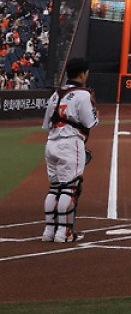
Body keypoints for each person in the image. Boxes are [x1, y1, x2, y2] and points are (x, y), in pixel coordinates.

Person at [41, 57, 99, 243]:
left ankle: (49, 231)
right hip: (70, 143)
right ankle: (64, 233)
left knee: (54, 188)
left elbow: (47, 124)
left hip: (51, 143)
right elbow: (90, 122)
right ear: (83, 73)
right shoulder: (83, 94)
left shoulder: (56, 94)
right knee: (70, 188)